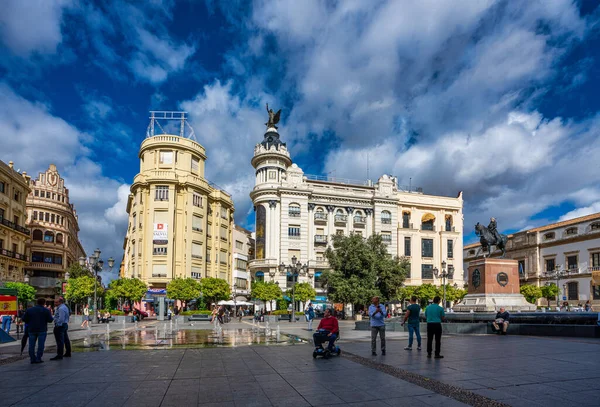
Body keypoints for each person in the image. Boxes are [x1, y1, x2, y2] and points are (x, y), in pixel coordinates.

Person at [22, 298, 54, 364]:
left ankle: (32, 358)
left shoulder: (29, 310)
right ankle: (38, 358)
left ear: (37, 302)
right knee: (41, 345)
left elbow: (24, 319)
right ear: (44, 303)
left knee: (31, 345)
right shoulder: (46, 310)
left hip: (31, 329)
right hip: (42, 329)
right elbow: (50, 320)